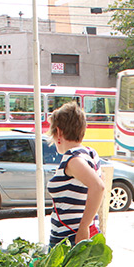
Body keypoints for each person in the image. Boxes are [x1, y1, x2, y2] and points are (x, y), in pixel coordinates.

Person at [47, 101, 105, 246]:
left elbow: (98, 186)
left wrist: (83, 227)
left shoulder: (73, 159)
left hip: (69, 238)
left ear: (59, 132)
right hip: (77, 235)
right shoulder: (90, 154)